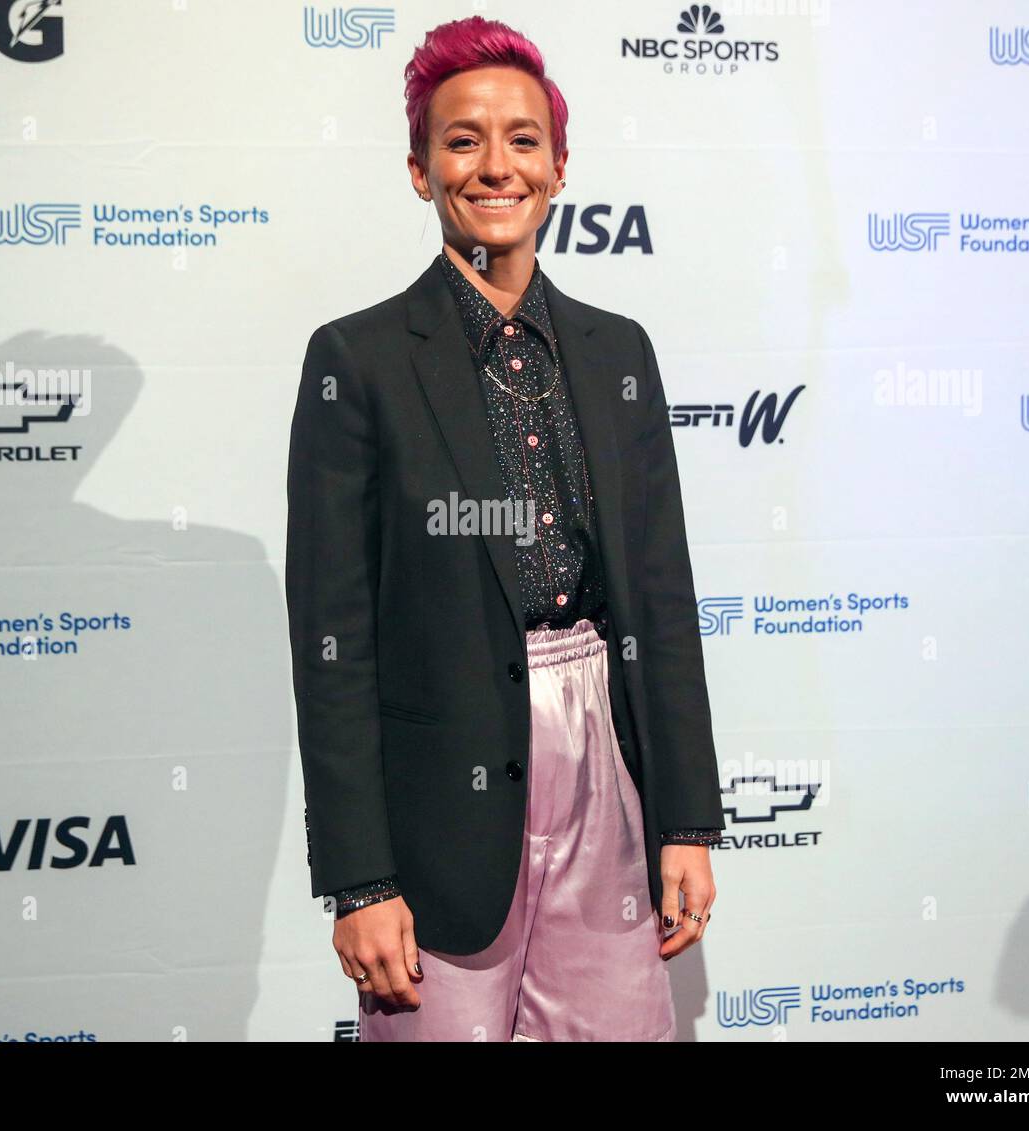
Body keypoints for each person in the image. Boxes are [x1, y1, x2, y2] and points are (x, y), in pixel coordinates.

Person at [285, 15, 726, 1042]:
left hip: (603, 778)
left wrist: (686, 821)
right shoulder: (358, 360)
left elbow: (660, 601)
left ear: (559, 166)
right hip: (439, 812)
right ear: (417, 168)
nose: (495, 165)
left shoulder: (619, 352)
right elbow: (332, 643)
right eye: (462, 139)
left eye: (523, 140)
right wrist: (359, 879)